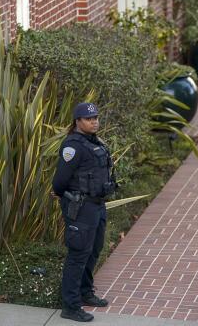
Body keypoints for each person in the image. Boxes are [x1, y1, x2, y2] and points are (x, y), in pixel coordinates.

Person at [52, 102, 117, 322]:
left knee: (93, 250)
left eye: (96, 117)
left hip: (97, 206)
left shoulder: (94, 141)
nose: (94, 121)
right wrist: (69, 198)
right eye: (89, 118)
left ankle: (85, 292)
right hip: (81, 207)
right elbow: (59, 182)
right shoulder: (73, 146)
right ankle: (70, 306)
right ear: (78, 121)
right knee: (78, 255)